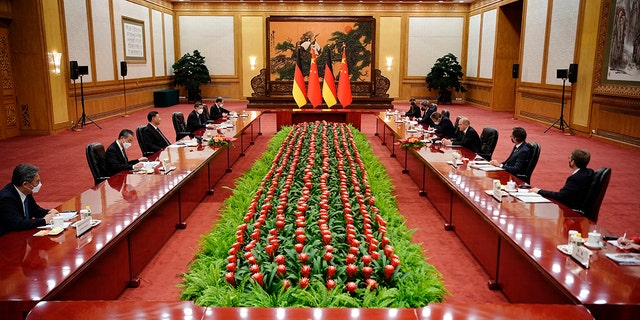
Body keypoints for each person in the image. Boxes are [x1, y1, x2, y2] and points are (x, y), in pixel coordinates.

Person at [0, 164, 59, 236]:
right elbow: (18, 223)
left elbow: (35, 210)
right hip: (7, 238)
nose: (39, 184)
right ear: (25, 184)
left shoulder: (26, 191)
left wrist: (49, 213)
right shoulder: (6, 198)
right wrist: (44, 221)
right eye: (37, 182)